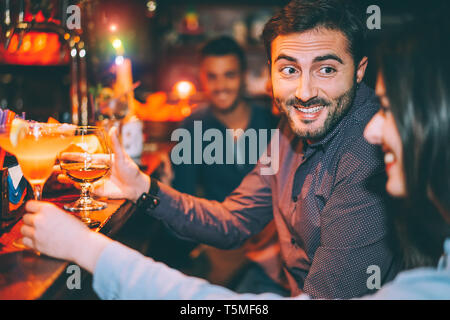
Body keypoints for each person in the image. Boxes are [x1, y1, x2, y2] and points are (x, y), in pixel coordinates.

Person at [21, 0, 401, 299]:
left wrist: (88, 249)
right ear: (269, 72)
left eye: (326, 69)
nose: (304, 92)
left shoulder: (366, 155)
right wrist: (143, 188)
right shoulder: (292, 128)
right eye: (288, 69)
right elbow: (233, 219)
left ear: (360, 69)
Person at [167, 35, 286, 295]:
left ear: (244, 76)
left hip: (272, 246)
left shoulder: (274, 124)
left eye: (229, 75)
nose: (220, 86)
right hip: (217, 241)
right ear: (202, 78)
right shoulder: (191, 127)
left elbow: (288, 195)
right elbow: (184, 198)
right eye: (212, 77)